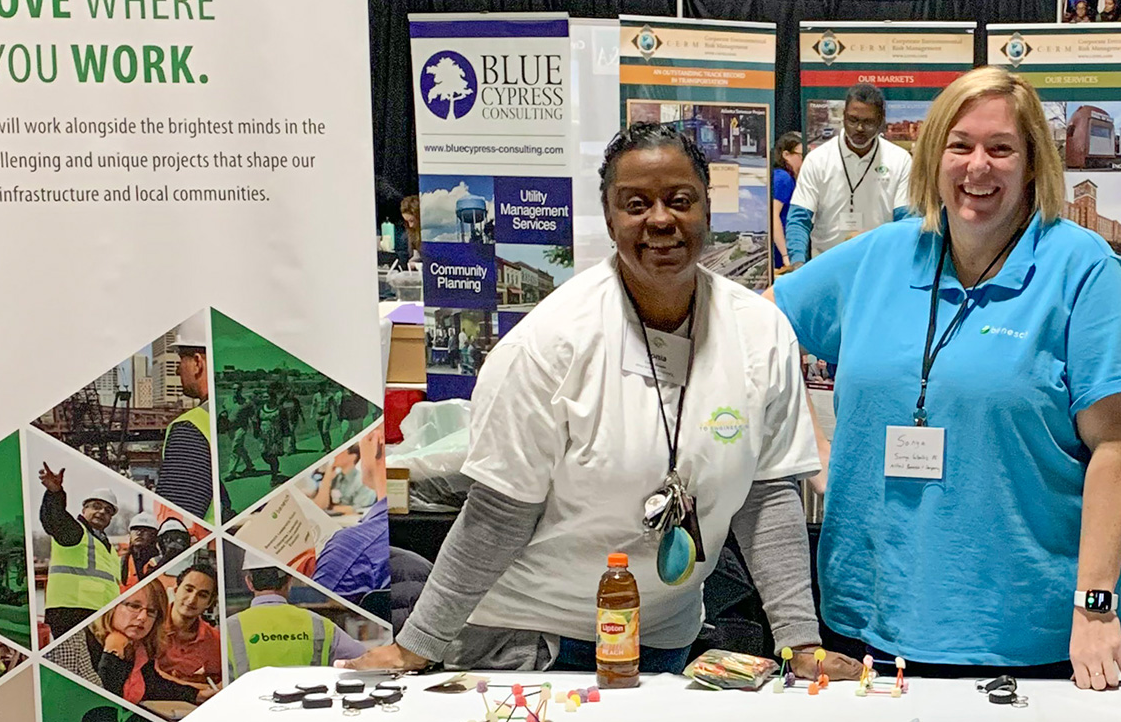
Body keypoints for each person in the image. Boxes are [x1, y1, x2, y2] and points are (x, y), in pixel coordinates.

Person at [342, 124, 859, 682]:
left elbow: (767, 494)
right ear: (610, 218)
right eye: (636, 204)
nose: (660, 219)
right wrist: (417, 645)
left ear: (708, 208)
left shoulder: (761, 333)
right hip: (535, 643)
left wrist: (800, 642)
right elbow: (497, 514)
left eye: (679, 200)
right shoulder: (551, 343)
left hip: (666, 639)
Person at [771, 66, 1121, 688]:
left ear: (1033, 163)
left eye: (1001, 148)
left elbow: (1119, 448)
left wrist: (1095, 606)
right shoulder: (882, 255)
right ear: (933, 158)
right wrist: (802, 447)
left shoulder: (1082, 268)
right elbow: (756, 332)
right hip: (867, 616)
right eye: (960, 145)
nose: (978, 166)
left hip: (1029, 634)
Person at [786, 84, 912, 266]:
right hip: (826, 267)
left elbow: (906, 221)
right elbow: (799, 219)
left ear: (881, 120)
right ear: (843, 116)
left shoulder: (899, 160)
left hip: (879, 267)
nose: (859, 128)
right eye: (853, 120)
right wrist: (798, 264)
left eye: (868, 122)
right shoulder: (818, 159)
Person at [54, 583, 212, 706]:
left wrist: (196, 695)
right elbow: (102, 705)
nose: (143, 617)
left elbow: (152, 684)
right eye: (134, 606)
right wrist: (113, 653)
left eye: (151, 612)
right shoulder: (77, 643)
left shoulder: (139, 647)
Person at [225, 566, 368, 678]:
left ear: (249, 583)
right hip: (307, 709)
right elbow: (365, 659)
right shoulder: (319, 624)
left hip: (249, 712)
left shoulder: (229, 627)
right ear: (289, 581)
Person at [38, 467, 121, 640]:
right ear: (84, 510)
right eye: (96, 506)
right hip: (72, 613)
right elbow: (55, 519)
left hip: (100, 616)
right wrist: (55, 493)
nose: (102, 512)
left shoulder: (108, 548)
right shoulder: (76, 532)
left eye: (108, 511)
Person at [158, 319, 216, 521]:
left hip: (212, 551)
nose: (177, 370)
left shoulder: (190, 427)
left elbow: (178, 519)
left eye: (181, 359)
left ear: (198, 362)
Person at [156, 564, 223, 696]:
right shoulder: (149, 625)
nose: (192, 600)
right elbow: (147, 679)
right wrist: (197, 688)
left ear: (209, 603)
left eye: (202, 595)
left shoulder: (216, 641)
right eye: (188, 589)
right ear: (175, 590)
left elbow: (220, 687)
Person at [771, 132, 804, 270]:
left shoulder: (784, 177)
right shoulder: (783, 179)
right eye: (801, 155)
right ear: (786, 155)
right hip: (781, 253)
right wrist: (786, 255)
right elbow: (774, 216)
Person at [120, 513, 158, 589]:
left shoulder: (158, 561)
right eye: (135, 529)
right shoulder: (120, 561)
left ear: (154, 535)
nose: (139, 533)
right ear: (130, 534)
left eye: (145, 530)